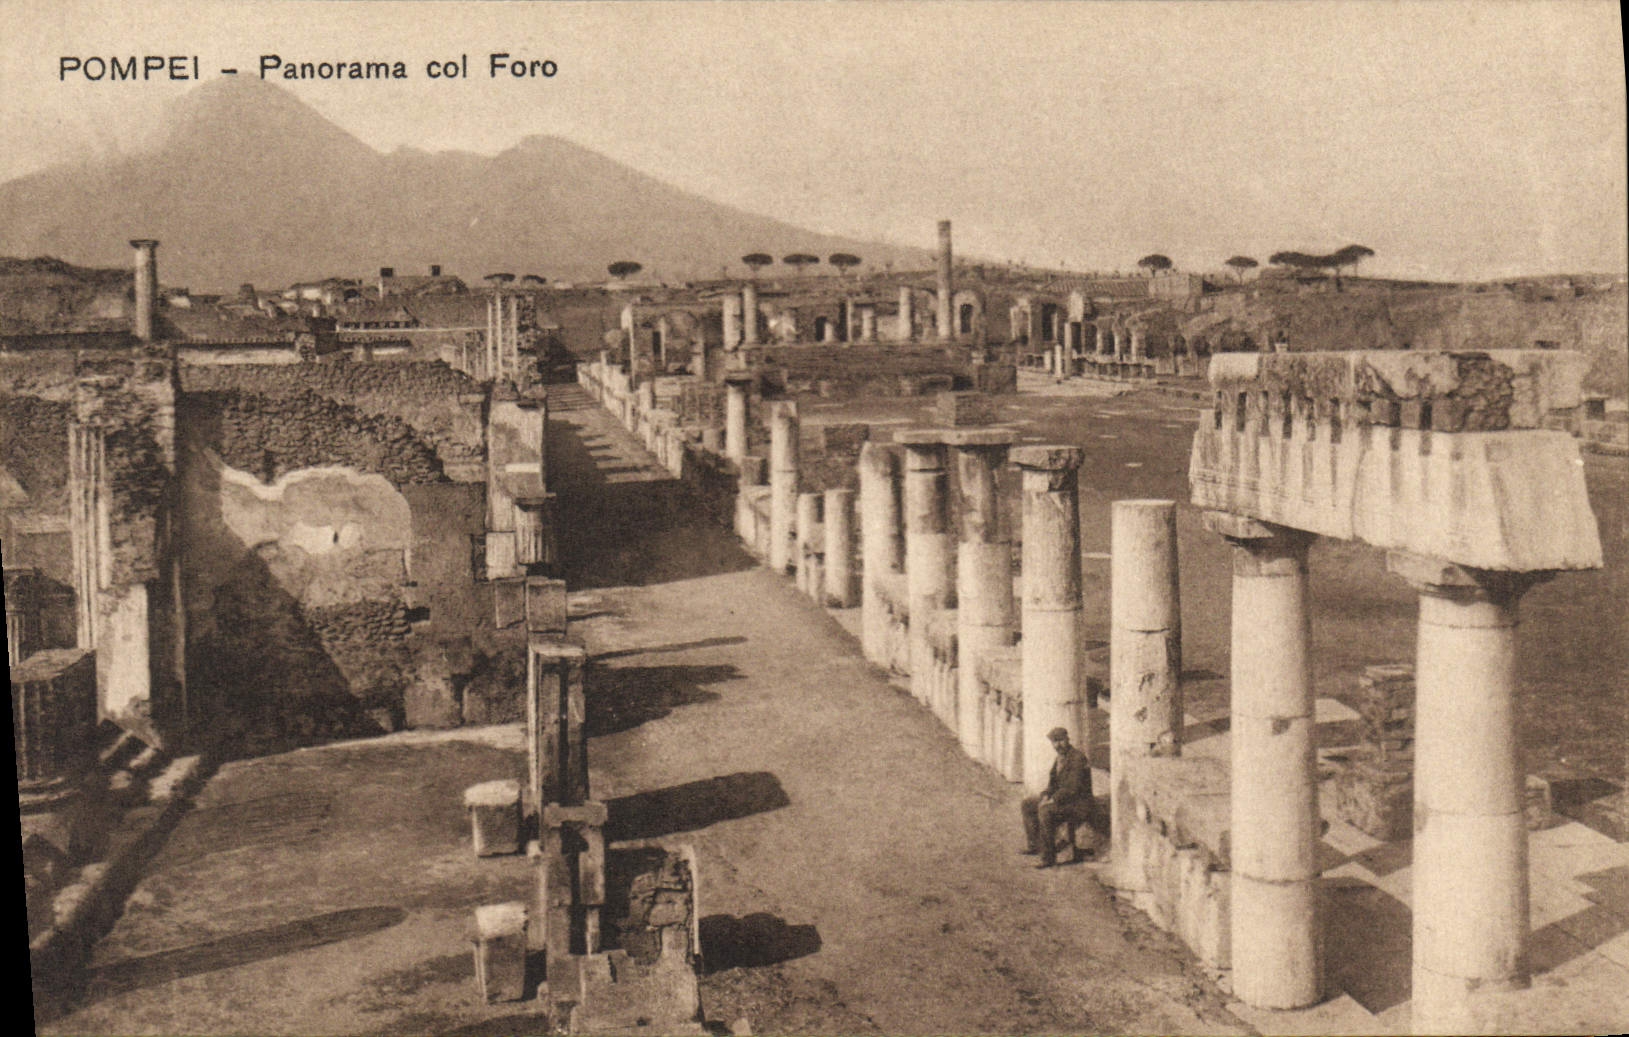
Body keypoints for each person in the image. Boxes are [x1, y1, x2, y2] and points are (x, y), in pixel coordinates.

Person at [1020, 727, 1095, 868]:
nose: (1058, 745)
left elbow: (1073, 788)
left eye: (1061, 741)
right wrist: (1045, 795)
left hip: (1078, 804)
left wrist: (1052, 800)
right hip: (1064, 801)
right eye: (1054, 742)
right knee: (1028, 804)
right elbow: (1052, 784)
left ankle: (1048, 858)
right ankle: (1034, 845)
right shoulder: (1060, 759)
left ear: (1068, 739)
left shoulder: (1077, 758)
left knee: (1045, 812)